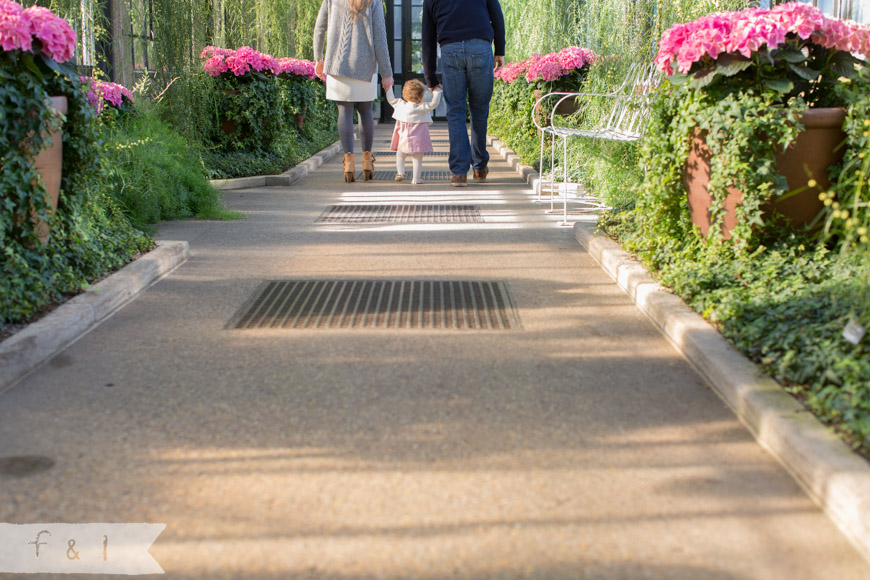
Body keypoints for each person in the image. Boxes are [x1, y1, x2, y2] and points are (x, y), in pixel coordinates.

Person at [421, 0, 505, 187]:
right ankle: (479, 167)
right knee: (479, 110)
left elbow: (427, 37)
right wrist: (500, 50)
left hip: (450, 50)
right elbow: (497, 17)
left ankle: (459, 173)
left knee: (455, 112)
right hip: (481, 49)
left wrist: (430, 77)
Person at [313, 0, 394, 182]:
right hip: (365, 67)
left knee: (344, 111)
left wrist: (318, 57)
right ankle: (367, 161)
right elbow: (380, 39)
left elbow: (319, 28)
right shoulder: (374, 2)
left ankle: (348, 163)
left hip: (337, 65)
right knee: (365, 112)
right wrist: (387, 73)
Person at [385, 80, 443, 184]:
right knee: (417, 157)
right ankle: (416, 178)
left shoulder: (400, 105)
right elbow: (434, 103)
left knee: (400, 154)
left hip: (404, 137)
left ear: (404, 95)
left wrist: (388, 88)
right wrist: (437, 91)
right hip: (419, 138)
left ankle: (400, 172)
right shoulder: (422, 107)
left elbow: (391, 99)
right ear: (421, 97)